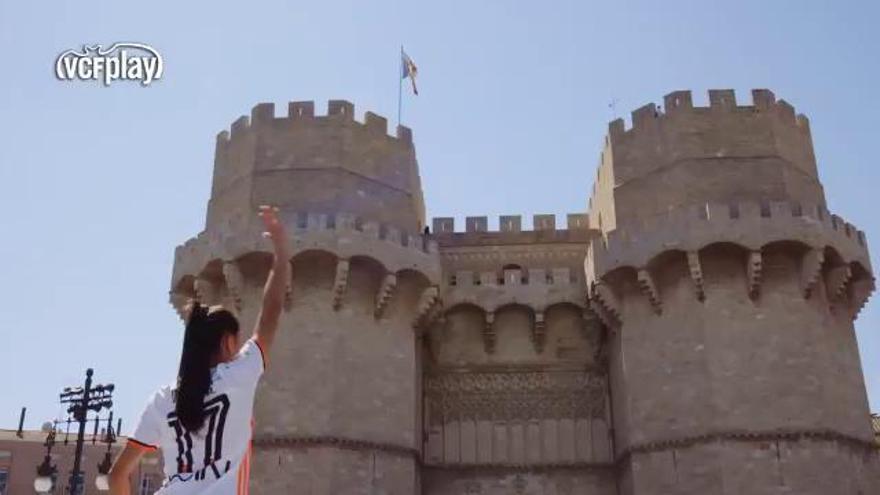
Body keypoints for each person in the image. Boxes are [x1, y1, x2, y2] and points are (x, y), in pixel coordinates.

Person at [109, 206, 290, 495]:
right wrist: (281, 253)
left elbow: (117, 476)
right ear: (227, 342)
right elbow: (272, 309)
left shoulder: (162, 399)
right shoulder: (239, 375)